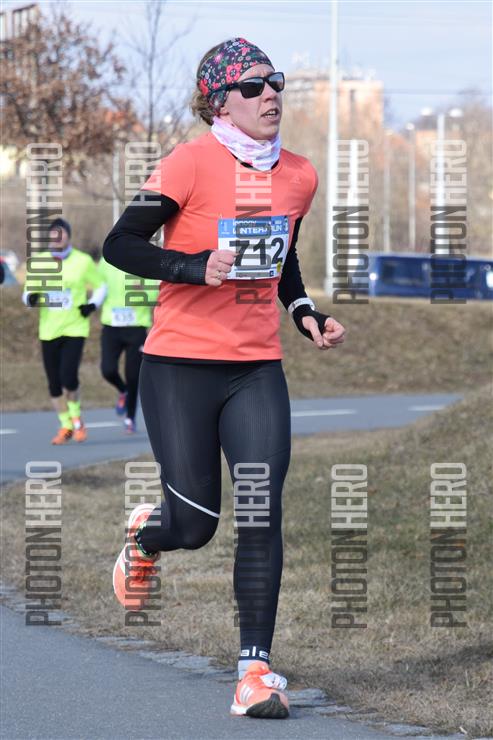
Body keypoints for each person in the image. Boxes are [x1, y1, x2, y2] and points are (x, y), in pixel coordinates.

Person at [103, 37, 346, 719]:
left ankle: (254, 672)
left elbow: (283, 259)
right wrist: (192, 266)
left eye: (275, 82)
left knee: (262, 509)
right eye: (252, 86)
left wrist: (305, 312)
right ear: (219, 102)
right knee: (196, 525)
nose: (270, 95)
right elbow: (119, 244)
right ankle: (148, 535)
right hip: (179, 366)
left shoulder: (298, 175)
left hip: (256, 369)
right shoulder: (188, 163)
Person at [23, 218, 106, 444]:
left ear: (68, 236)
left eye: (62, 233)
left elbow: (101, 286)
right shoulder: (39, 262)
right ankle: (66, 425)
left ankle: (76, 419)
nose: (57, 238)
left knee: (68, 377)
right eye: (54, 234)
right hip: (49, 329)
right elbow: (27, 294)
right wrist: (31, 298)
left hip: (75, 327)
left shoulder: (82, 261)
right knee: (54, 384)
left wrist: (92, 305)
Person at [98, 256, 159, 433]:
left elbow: (154, 297)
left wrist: (142, 290)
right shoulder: (106, 260)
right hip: (111, 324)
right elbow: (99, 288)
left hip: (136, 326)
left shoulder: (144, 260)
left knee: (133, 376)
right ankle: (122, 390)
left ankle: (130, 418)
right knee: (108, 370)